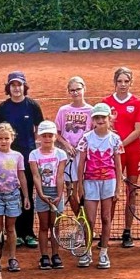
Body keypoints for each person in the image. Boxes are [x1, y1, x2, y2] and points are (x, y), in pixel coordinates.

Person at [0, 72, 43, 249]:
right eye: (13, 85)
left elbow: (38, 128)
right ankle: (15, 234)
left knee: (27, 193)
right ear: (9, 87)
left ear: (24, 86)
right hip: (8, 159)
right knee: (12, 193)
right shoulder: (2, 108)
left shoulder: (33, 106)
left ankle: (28, 233)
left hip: (28, 157)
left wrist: (30, 144)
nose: (16, 88)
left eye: (19, 85)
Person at [76, 103, 123, 270]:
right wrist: (80, 185)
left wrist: (118, 187)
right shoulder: (86, 138)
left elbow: (118, 165)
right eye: (97, 117)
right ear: (93, 120)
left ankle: (103, 252)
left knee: (106, 218)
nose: (100, 120)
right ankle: (87, 251)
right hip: (90, 182)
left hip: (109, 182)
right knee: (89, 219)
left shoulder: (115, 139)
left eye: (103, 117)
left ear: (109, 118)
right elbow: (81, 163)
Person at [103, 67, 140, 249]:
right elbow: (102, 126)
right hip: (112, 153)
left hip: (133, 151)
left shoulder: (137, 103)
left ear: (130, 82)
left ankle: (127, 231)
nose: (122, 85)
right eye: (119, 81)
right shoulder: (106, 103)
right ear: (115, 82)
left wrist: (120, 143)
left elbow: (138, 130)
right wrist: (116, 145)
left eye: (126, 81)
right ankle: (106, 232)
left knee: (131, 191)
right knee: (111, 191)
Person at [0, 122, 30, 273]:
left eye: (6, 138)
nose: (3, 141)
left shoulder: (18, 156)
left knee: (10, 228)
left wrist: (26, 196)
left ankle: (12, 258)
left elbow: (21, 176)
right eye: (0, 138)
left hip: (13, 196)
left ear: (12, 139)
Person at [28, 120, 67, 270]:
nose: (47, 138)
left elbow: (60, 175)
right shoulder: (34, 154)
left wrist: (59, 194)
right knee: (44, 226)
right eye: (44, 135)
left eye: (50, 135)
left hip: (56, 193)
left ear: (55, 137)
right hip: (42, 193)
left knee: (55, 226)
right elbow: (36, 176)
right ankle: (44, 256)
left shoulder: (61, 154)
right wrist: (41, 194)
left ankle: (55, 255)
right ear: (39, 137)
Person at [55, 75, 94, 216]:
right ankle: (80, 221)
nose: (75, 92)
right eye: (72, 90)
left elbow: (95, 133)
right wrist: (66, 145)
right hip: (68, 156)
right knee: (71, 191)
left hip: (85, 156)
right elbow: (56, 133)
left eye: (78, 89)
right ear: (68, 92)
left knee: (84, 190)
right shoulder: (63, 110)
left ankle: (86, 222)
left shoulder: (91, 111)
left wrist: (82, 144)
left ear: (84, 89)